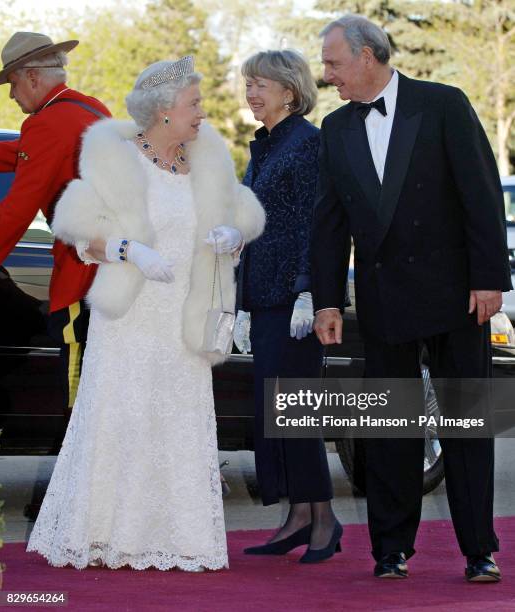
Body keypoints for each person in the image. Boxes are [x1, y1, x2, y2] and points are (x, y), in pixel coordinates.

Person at [27, 56, 265, 571]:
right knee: (122, 418)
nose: (203, 112)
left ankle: (181, 537)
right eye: (194, 104)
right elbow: (74, 225)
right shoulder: (117, 159)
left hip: (185, 315)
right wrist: (128, 250)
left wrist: (233, 233)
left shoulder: (207, 158)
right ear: (162, 112)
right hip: (131, 317)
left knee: (179, 423)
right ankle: (104, 536)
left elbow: (239, 210)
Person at [311, 14, 512, 581]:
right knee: (389, 431)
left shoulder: (444, 103)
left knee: (466, 426)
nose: (327, 76)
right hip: (383, 300)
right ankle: (391, 550)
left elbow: (481, 192)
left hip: (457, 297)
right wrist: (328, 301)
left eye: (334, 63)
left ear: (368, 56)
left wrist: (490, 279)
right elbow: (329, 224)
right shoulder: (335, 128)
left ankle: (480, 551)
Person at [234, 50, 341, 563]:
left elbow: (315, 225)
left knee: (295, 411)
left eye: (260, 84)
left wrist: (309, 291)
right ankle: (299, 515)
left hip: (295, 300)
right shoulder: (265, 146)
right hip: (264, 295)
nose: (252, 92)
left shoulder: (308, 144)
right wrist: (240, 302)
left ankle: (323, 519)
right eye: (248, 84)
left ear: (290, 91)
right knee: (276, 414)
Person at [0, 32, 110, 415]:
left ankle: (81, 475)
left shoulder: (46, 125)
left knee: (79, 403)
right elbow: (24, 155)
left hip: (81, 278)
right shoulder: (89, 110)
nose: (12, 96)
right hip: (110, 277)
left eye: (12, 84)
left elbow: (15, 210)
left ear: (31, 77)